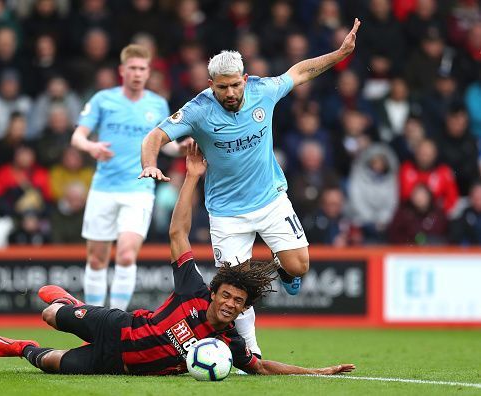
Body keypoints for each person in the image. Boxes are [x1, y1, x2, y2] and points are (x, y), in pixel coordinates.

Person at [0, 146, 355, 377]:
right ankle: (74, 305)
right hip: (119, 328)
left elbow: (264, 367)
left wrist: (319, 371)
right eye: (227, 296)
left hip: (118, 366)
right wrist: (191, 178)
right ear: (215, 291)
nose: (230, 305)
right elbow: (178, 235)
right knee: (50, 316)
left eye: (238, 303)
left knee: (48, 362)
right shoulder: (192, 289)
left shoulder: (228, 343)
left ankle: (19, 346)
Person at [139, 19, 362, 356]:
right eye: (222, 88)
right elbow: (155, 136)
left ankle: (285, 270)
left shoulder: (263, 90)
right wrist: (149, 164)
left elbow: (300, 72)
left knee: (300, 266)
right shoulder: (198, 110)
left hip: (271, 200)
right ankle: (252, 353)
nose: (230, 93)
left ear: (244, 80)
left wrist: (340, 53)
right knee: (233, 287)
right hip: (226, 214)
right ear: (211, 84)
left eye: (235, 86)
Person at [71, 44, 177, 311]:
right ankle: (93, 322)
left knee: (128, 254)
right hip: (104, 188)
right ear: (122, 70)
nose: (137, 74)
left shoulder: (157, 103)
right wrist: (91, 147)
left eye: (142, 69)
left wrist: (181, 147)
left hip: (139, 189)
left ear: (148, 71)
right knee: (96, 260)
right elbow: (77, 136)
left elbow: (164, 142)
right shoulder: (103, 99)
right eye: (132, 68)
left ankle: (115, 321)